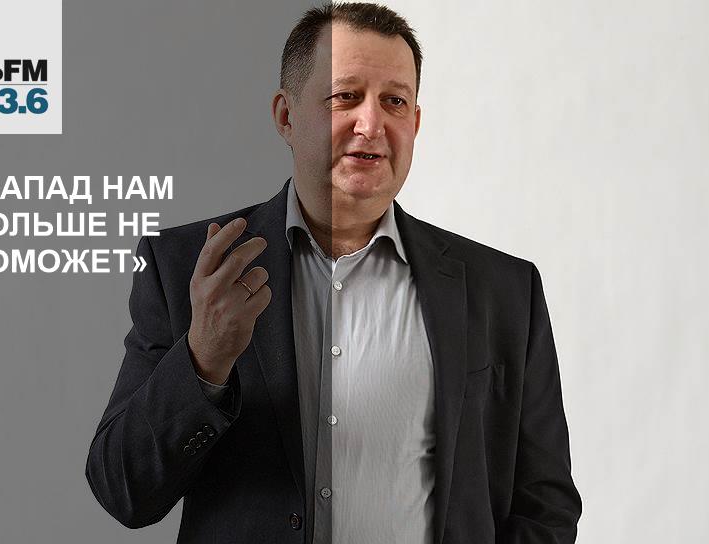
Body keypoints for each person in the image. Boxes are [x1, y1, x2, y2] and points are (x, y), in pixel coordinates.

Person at [85, 3, 581, 543]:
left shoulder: (503, 290)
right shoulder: (188, 268)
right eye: (345, 96)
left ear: (415, 124)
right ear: (286, 116)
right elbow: (124, 492)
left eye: (394, 101)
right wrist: (204, 359)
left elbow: (545, 504)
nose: (372, 124)